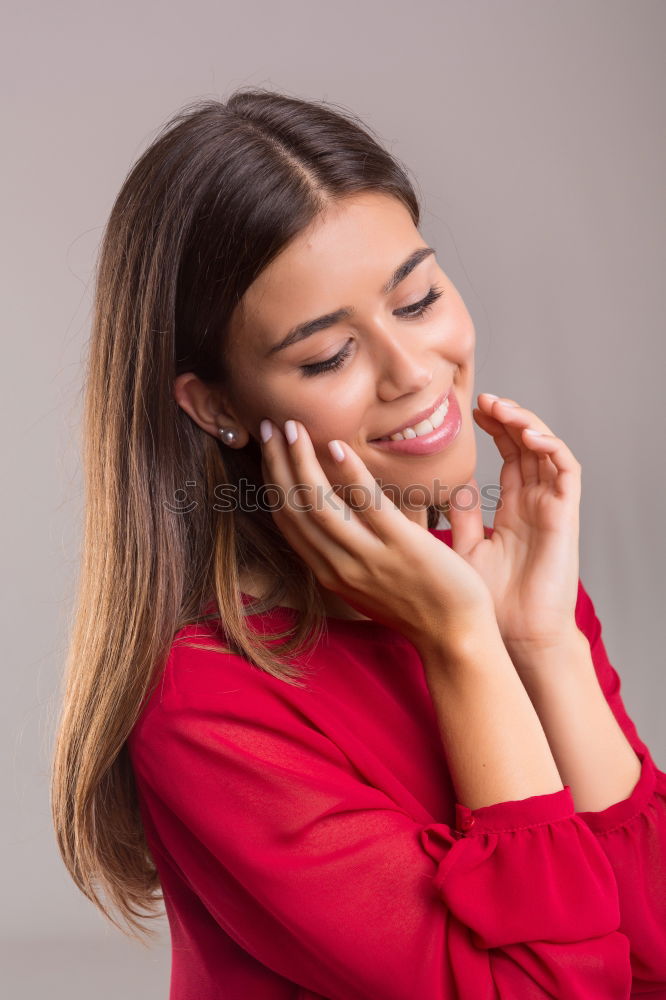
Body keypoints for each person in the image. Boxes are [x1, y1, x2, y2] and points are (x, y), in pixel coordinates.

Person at [51, 89, 666, 998]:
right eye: (327, 356)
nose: (414, 373)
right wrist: (465, 645)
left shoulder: (503, 587)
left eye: (417, 299)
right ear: (218, 407)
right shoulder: (204, 698)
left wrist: (544, 644)